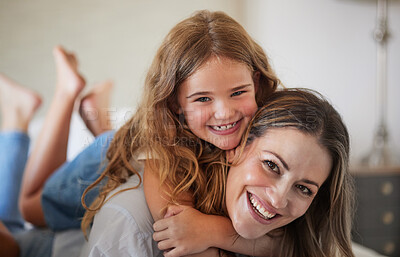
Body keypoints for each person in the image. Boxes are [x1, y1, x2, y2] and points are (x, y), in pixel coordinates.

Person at [80, 10, 279, 256]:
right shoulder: (162, 143)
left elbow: (287, 243)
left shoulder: (275, 128)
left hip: (133, 136)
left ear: (256, 83)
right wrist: (212, 231)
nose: (225, 113)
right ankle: (69, 97)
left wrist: (212, 231)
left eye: (238, 92)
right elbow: (178, 228)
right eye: (203, 98)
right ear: (175, 102)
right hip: (101, 160)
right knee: (34, 207)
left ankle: (101, 118)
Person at [152, 89, 356, 257]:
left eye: (303, 188)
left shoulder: (301, 239)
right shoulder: (171, 176)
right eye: (272, 165)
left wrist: (213, 231)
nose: (278, 200)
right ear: (237, 146)